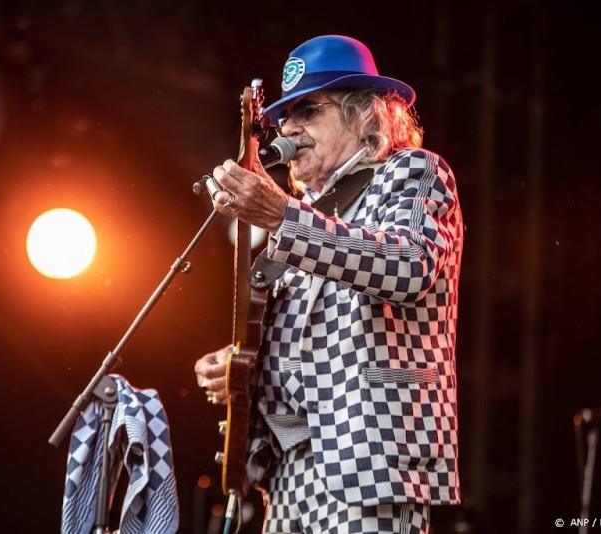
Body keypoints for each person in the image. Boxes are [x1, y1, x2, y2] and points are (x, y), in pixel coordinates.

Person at [193, 34, 464, 533]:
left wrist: (283, 216)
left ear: (365, 115)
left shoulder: (413, 172)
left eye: (308, 111)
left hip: (371, 457)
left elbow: (408, 266)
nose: (288, 129)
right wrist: (240, 366)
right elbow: (305, 336)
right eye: (282, 118)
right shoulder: (309, 215)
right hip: (288, 472)